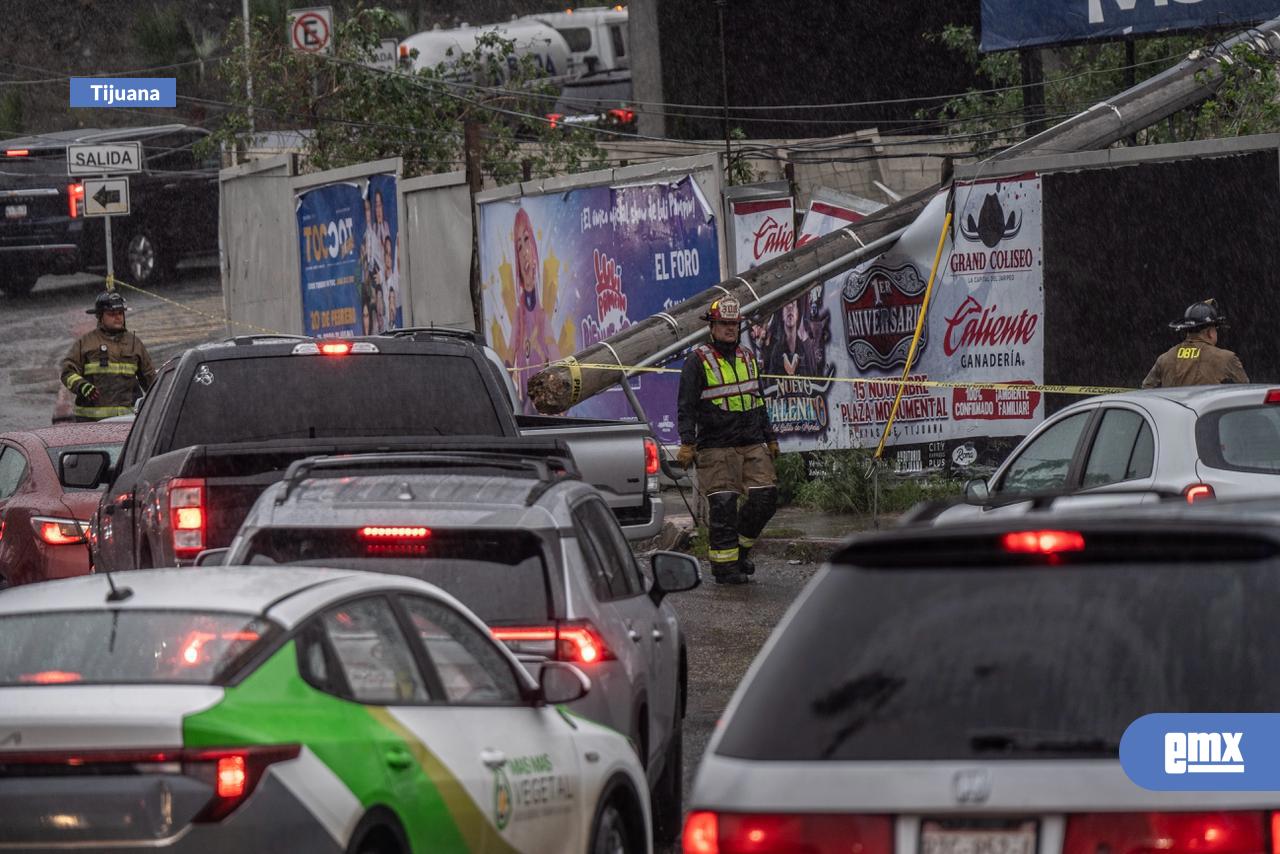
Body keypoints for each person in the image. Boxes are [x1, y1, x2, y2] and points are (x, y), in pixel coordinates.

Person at [676, 295, 780, 585]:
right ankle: (724, 569)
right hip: (716, 446)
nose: (730, 328)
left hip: (751, 441)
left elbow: (758, 401)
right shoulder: (697, 361)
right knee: (723, 505)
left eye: (734, 323)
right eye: (724, 323)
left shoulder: (748, 357)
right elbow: (686, 407)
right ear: (712, 326)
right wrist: (687, 442)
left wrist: (770, 438)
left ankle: (740, 550)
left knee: (766, 498)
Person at [60, 290, 156, 421]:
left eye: (120, 313)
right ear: (100, 316)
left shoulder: (134, 343)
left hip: (127, 420)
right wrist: (82, 386)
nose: (118, 317)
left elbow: (150, 379)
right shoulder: (86, 343)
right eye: (112, 314)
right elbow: (67, 372)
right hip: (91, 423)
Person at [511, 207, 558, 409]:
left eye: (526, 240)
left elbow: (556, 359)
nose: (524, 253)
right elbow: (508, 357)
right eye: (519, 247)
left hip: (543, 407)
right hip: (527, 410)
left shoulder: (542, 316)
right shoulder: (519, 316)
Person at [1142, 299, 1248, 388]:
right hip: (1207, 408)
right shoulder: (1227, 358)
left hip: (1172, 408)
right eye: (1216, 329)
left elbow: (1147, 387)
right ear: (1210, 332)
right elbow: (1244, 391)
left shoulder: (1165, 358)